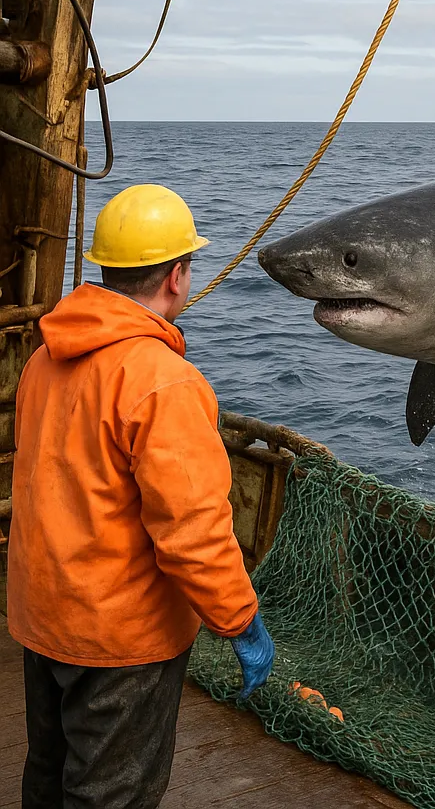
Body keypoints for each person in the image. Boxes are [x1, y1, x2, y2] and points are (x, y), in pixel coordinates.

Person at [8, 184, 276, 809]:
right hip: (119, 642)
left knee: (47, 776)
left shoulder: (45, 359)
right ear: (178, 275)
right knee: (111, 796)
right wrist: (239, 621)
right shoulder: (164, 382)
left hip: (43, 616)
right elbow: (193, 532)